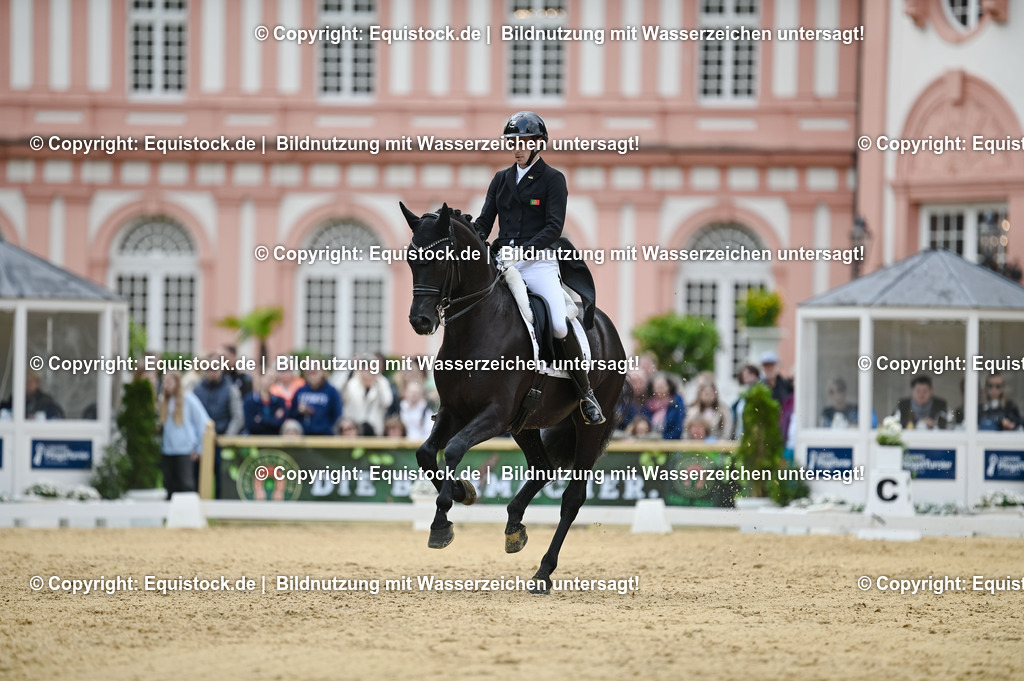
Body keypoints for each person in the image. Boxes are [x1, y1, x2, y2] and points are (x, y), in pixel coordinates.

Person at [473, 110, 604, 425]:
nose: (517, 148)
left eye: (523, 142)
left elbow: (553, 227)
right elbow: (485, 222)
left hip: (538, 263)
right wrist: (470, 241)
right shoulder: (501, 179)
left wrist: (524, 251)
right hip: (503, 261)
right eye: (512, 142)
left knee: (558, 324)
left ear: (537, 144)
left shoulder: (552, 179)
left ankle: (585, 392)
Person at [157, 371, 210, 500]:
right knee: (169, 485)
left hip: (185, 450)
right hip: (168, 449)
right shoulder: (164, 401)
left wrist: (199, 448)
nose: (166, 385)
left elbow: (203, 422)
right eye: (164, 382)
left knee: (185, 485)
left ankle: (188, 511)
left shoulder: (189, 399)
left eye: (169, 382)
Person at [337, 364, 394, 436]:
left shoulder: (382, 383)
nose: (367, 373)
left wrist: (378, 382)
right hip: (355, 431)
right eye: (365, 370)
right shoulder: (352, 384)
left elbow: (387, 402)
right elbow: (341, 397)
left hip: (375, 429)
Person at [290, 366, 342, 436]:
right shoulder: (300, 391)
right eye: (310, 373)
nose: (312, 377)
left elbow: (337, 414)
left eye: (315, 373)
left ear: (322, 373)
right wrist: (299, 411)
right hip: (303, 434)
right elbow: (291, 413)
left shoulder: (331, 391)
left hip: (326, 434)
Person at [641, 373, 685, 440]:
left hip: (671, 441)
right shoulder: (648, 403)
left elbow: (678, 426)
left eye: (662, 386)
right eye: (657, 386)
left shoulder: (676, 401)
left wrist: (663, 438)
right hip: (650, 440)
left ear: (669, 387)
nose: (660, 389)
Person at [731, 364, 760, 439]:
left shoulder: (760, 393)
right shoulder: (741, 395)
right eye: (745, 375)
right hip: (740, 433)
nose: (748, 377)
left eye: (750, 373)